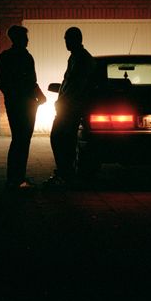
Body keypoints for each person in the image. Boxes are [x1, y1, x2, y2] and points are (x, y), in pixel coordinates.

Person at [44, 26, 95, 189]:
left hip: (71, 108)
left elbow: (77, 86)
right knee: (62, 139)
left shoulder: (82, 59)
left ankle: (65, 173)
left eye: (67, 38)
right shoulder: (75, 57)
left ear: (76, 39)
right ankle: (65, 172)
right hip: (68, 107)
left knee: (59, 138)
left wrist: (63, 101)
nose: (65, 42)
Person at [0, 25, 45, 190]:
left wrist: (11, 97)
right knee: (23, 140)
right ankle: (18, 178)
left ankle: (14, 177)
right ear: (19, 38)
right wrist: (40, 96)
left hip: (13, 103)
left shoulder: (4, 57)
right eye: (25, 37)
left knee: (18, 139)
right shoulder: (26, 57)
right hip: (28, 103)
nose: (27, 40)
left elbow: (3, 82)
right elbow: (32, 81)